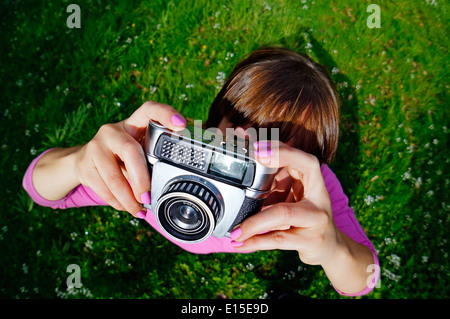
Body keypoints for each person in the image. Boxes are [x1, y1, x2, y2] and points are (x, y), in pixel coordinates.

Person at [23, 47, 379, 296]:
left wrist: (334, 249)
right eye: (233, 139)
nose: (247, 153)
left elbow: (366, 278)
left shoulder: (310, 191)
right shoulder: (150, 171)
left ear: (306, 167)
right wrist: (80, 159)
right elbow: (42, 188)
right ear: (212, 124)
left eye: (274, 153)